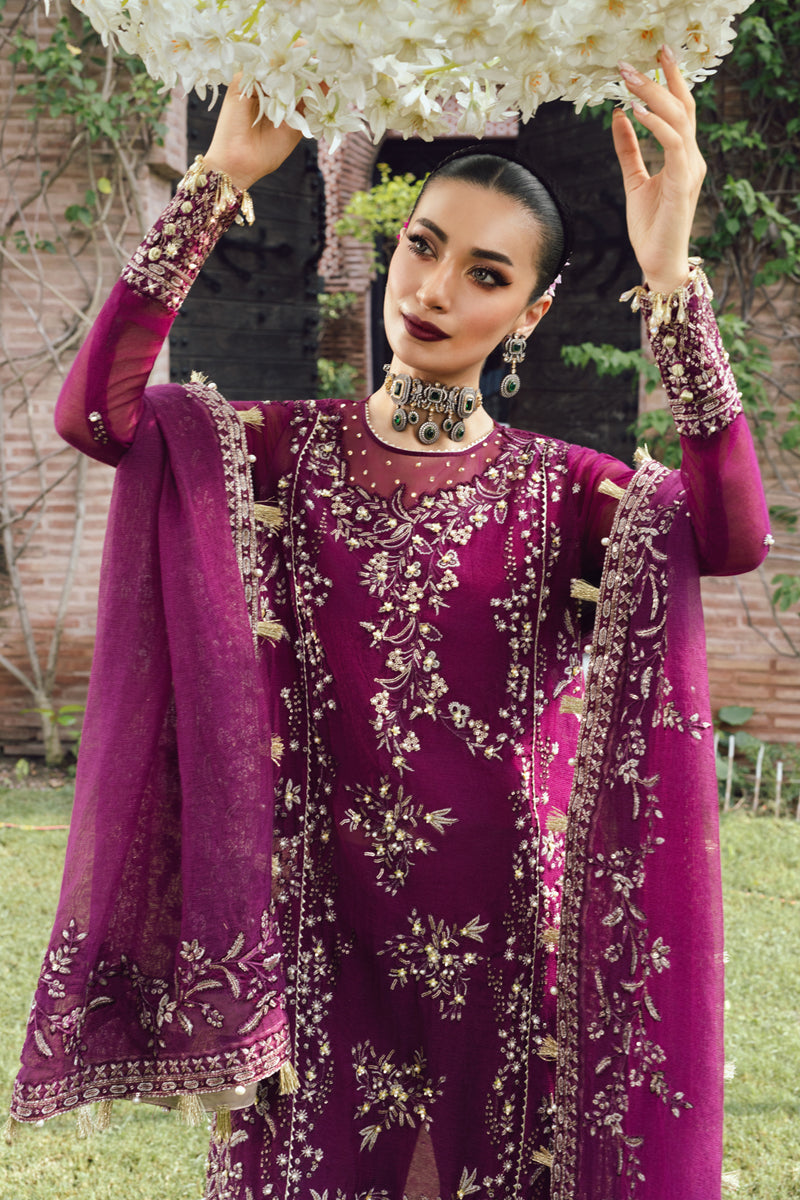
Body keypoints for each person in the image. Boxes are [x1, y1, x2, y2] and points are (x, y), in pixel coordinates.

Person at [10, 47, 770, 1200]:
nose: (432, 289)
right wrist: (216, 181)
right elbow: (97, 417)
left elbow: (730, 533)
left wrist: (670, 281)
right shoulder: (272, 453)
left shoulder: (566, 491)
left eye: (483, 273)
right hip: (313, 929)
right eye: (422, 246)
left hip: (507, 932)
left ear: (529, 312)